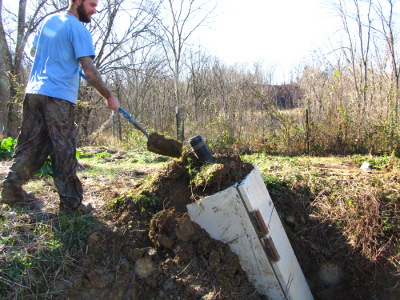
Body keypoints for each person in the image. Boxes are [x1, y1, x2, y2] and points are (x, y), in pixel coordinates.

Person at [0, 0, 120, 213]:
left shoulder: (49, 21)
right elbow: (90, 71)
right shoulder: (78, 29)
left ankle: (11, 189)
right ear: (77, 2)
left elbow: (32, 53)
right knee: (63, 148)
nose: (95, 10)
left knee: (30, 144)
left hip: (34, 91)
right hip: (58, 95)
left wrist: (57, 56)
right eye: (91, 4)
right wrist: (108, 96)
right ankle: (71, 205)